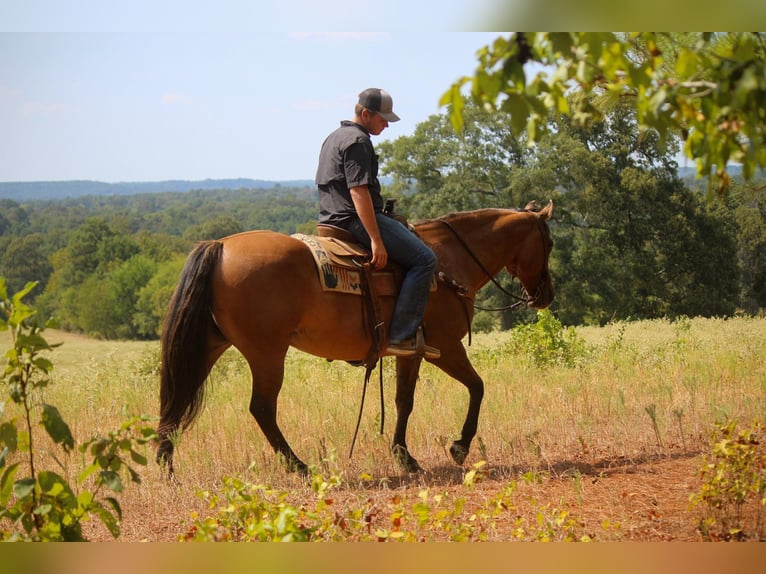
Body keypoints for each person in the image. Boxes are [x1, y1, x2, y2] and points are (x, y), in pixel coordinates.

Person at [315, 88, 439, 359]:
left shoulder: (333, 138)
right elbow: (358, 192)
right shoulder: (358, 141)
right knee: (425, 259)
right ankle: (400, 336)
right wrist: (376, 240)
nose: (386, 125)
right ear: (365, 113)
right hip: (354, 220)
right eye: (382, 119)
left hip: (328, 220)